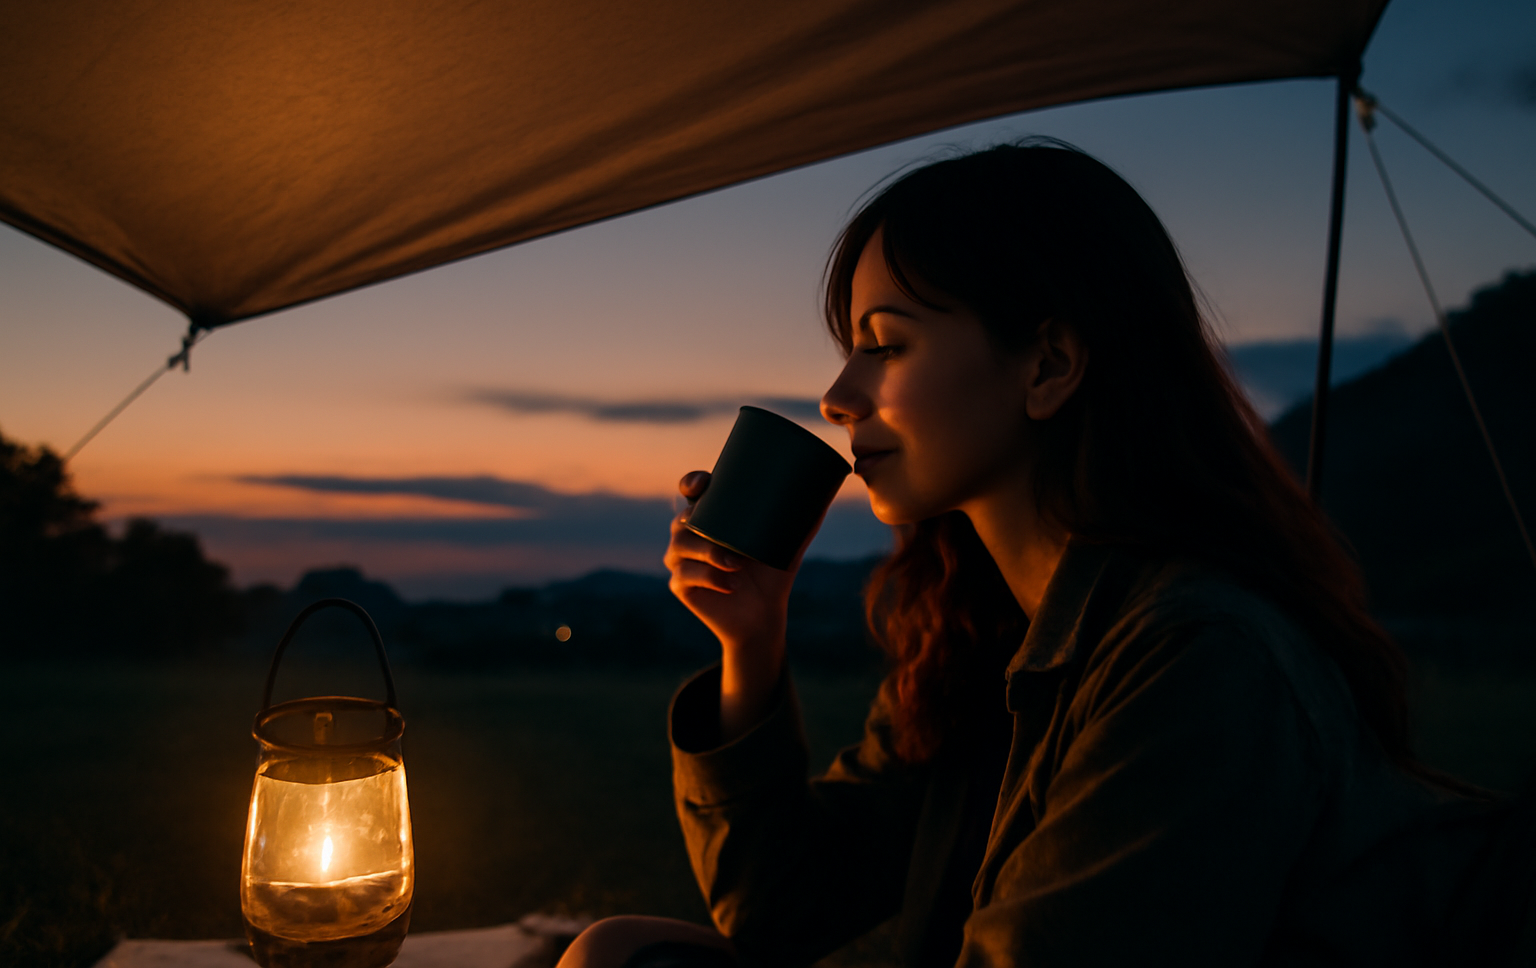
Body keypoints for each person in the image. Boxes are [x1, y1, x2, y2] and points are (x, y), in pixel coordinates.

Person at [558, 141, 1534, 968]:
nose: (839, 396)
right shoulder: (995, 634)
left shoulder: (1198, 656)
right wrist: (751, 641)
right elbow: (779, 906)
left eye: (883, 345)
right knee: (618, 949)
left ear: (1050, 364)